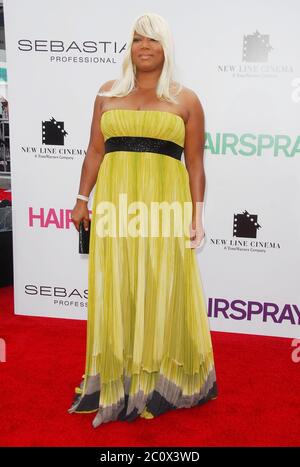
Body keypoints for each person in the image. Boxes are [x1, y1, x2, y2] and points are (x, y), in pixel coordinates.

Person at [68, 12, 217, 428]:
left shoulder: (186, 100)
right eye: (137, 39)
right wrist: (82, 199)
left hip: (164, 209)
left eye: (152, 39)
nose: (144, 46)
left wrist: (196, 216)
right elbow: (94, 151)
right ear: (129, 47)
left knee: (159, 286)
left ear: (166, 47)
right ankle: (117, 377)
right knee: (117, 286)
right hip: (115, 207)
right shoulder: (107, 93)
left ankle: (159, 379)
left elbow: (195, 165)